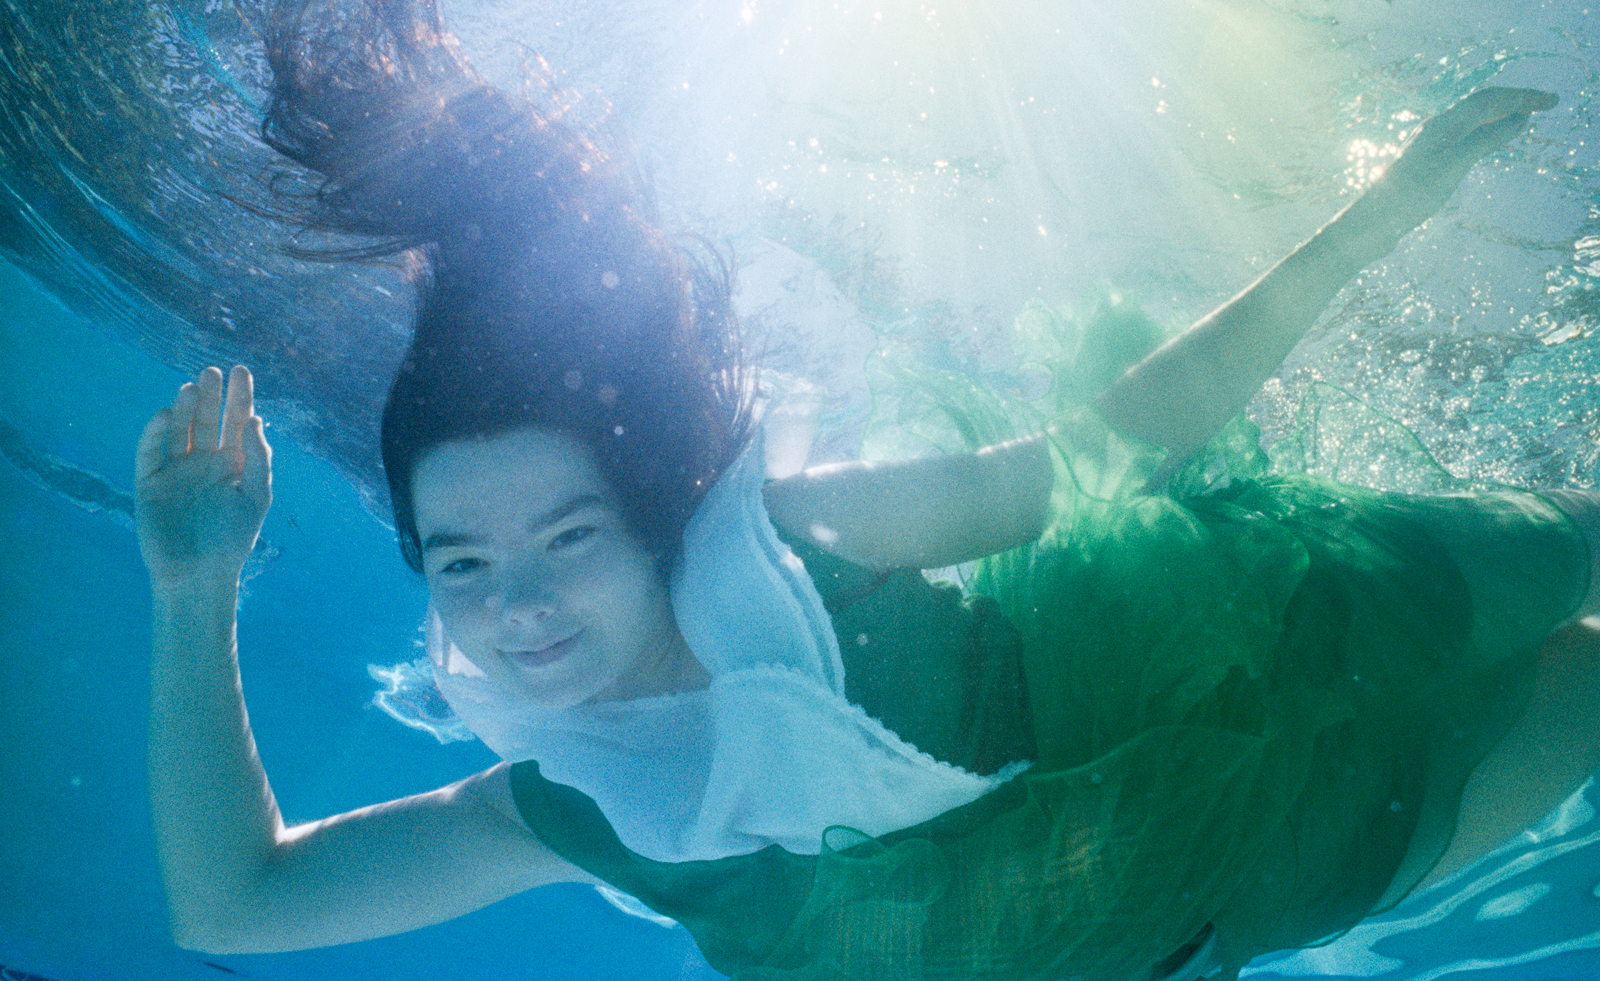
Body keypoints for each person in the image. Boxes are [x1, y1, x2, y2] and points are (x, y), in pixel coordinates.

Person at [135, 2, 1600, 979]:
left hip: (1277, 620)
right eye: (461, 562)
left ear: (652, 522)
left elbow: (1110, 453)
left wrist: (1387, 215)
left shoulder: (799, 551)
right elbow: (236, 903)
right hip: (1267, 862)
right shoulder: (579, 804)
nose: (515, 605)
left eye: (567, 535)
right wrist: (195, 588)